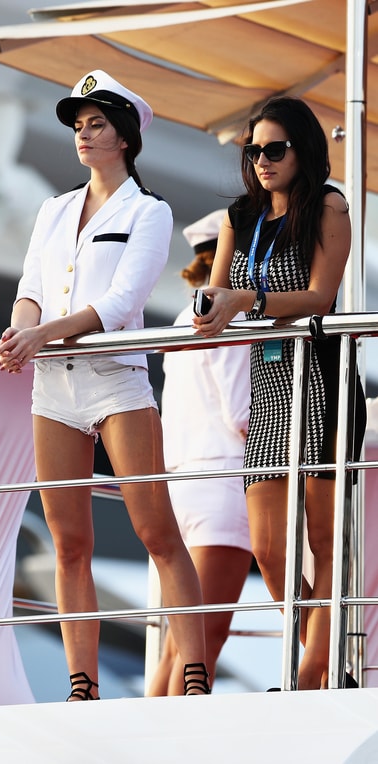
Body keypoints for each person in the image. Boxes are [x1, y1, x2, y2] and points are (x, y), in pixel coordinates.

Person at [0, 69, 209, 700]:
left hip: (117, 381)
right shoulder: (53, 209)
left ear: (126, 138)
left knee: (156, 532)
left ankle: (195, 676)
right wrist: (20, 332)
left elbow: (121, 303)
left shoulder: (149, 211)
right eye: (80, 126)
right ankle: (82, 686)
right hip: (53, 387)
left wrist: (40, 334)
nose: (84, 136)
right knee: (69, 544)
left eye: (97, 125)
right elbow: (30, 288)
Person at [193, 95, 366, 690]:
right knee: (268, 551)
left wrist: (249, 300)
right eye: (253, 150)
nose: (262, 160)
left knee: (324, 540)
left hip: (320, 380)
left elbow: (320, 297)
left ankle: (311, 676)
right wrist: (208, 306)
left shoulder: (328, 205)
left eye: (275, 149)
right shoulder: (239, 218)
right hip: (268, 388)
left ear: (302, 150)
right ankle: (327, 668)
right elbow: (218, 292)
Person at [148, 210, 253, 696]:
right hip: (223, 482)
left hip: (183, 484)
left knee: (180, 645)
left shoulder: (185, 315)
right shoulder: (232, 315)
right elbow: (241, 413)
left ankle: (148, 734)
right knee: (204, 642)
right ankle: (177, 736)